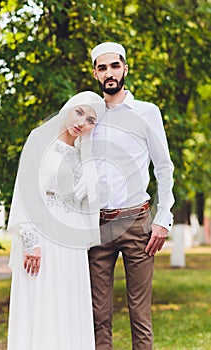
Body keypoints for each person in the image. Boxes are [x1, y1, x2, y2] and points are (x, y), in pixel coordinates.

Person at [88, 42, 174, 349]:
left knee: (140, 313)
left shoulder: (147, 113)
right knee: (98, 314)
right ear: (95, 74)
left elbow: (164, 167)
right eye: (102, 68)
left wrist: (163, 219)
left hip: (138, 223)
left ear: (125, 68)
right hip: (98, 226)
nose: (109, 73)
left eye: (114, 66)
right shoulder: (88, 117)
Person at [7, 91, 105, 350]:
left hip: (69, 243)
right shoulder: (39, 141)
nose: (81, 122)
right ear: (69, 108)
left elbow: (87, 201)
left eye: (90, 120)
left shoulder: (83, 156)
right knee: (42, 303)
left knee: (67, 305)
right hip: (42, 237)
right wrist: (31, 242)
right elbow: (25, 191)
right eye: (79, 112)